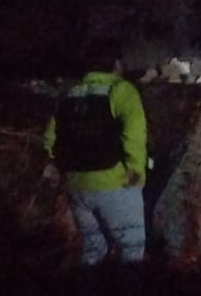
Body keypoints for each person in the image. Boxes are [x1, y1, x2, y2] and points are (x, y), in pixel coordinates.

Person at [43, 38, 149, 267]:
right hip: (114, 181)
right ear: (116, 64)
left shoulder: (68, 94)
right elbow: (134, 135)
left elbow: (51, 137)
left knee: (93, 246)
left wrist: (60, 169)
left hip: (76, 185)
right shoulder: (121, 90)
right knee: (131, 247)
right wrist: (136, 171)